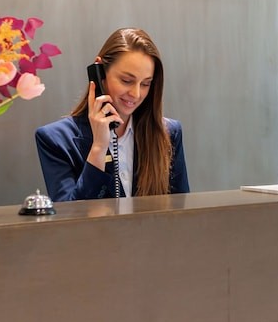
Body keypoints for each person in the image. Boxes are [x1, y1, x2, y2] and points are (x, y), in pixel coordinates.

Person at [34, 28, 189, 201]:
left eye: (145, 84)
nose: (136, 94)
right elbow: (70, 214)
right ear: (99, 72)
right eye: (126, 81)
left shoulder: (169, 133)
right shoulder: (55, 139)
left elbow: (181, 213)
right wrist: (99, 148)